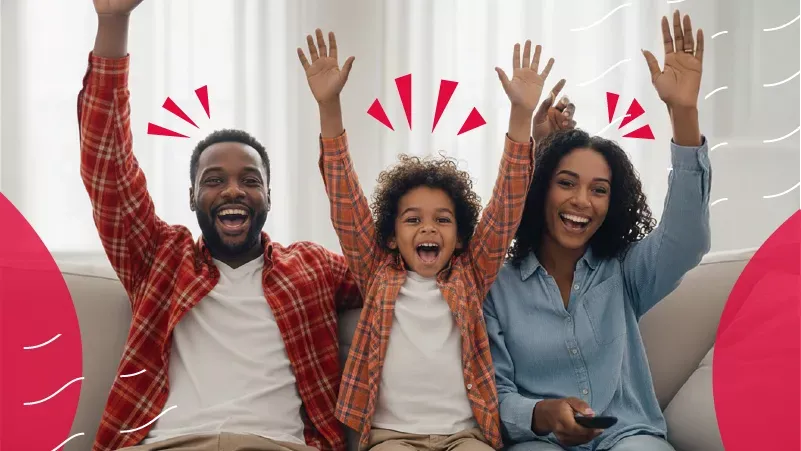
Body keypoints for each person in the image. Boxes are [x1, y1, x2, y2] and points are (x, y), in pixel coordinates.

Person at [79, 2, 362, 450]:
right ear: (192, 197)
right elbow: (106, 166)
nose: (233, 190)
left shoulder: (312, 267)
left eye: (250, 181)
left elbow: (383, 270)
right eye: (214, 181)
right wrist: (114, 23)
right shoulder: (159, 257)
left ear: (268, 197)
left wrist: (331, 118)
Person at [296, 29, 560, 451]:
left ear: (459, 238)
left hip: (466, 436)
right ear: (390, 235)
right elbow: (344, 197)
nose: (428, 229)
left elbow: (508, 201)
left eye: (442, 219)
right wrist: (329, 105)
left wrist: (521, 116)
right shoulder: (376, 270)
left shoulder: (471, 275)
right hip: (390, 438)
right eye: (412, 219)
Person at [483, 10, 710, 451]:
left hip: (627, 436)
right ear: (540, 189)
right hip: (539, 441)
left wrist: (684, 115)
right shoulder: (497, 284)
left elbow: (687, 239)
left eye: (599, 190)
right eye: (566, 183)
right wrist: (541, 413)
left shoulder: (624, 271)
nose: (582, 201)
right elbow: (495, 393)